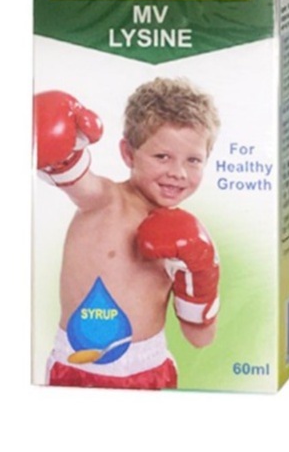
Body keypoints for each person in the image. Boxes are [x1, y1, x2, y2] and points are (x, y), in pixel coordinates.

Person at [34, 78, 221, 389]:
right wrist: (61, 150)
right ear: (128, 153)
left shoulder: (188, 236)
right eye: (162, 157)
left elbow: (200, 338)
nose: (178, 172)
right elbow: (80, 183)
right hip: (79, 369)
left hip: (151, 369)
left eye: (193, 160)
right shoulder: (104, 200)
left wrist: (201, 279)